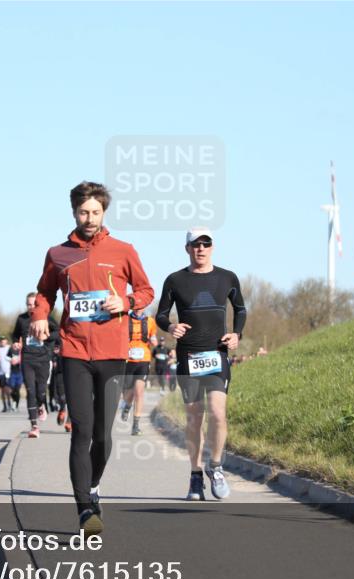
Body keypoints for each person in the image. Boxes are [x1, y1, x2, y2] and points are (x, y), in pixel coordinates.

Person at [31, 181, 153, 535]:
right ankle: (85, 508)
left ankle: (94, 484)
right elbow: (45, 292)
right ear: (74, 212)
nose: (89, 218)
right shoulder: (58, 254)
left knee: (103, 434)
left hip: (113, 352)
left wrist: (126, 302)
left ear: (104, 212)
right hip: (74, 351)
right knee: (81, 430)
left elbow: (146, 290)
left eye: (95, 212)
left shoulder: (123, 250)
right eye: (83, 212)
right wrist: (40, 315)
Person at [156, 227, 247, 502]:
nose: (201, 248)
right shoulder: (175, 280)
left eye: (206, 244)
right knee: (195, 418)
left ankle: (216, 466)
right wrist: (171, 327)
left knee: (218, 414)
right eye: (195, 244)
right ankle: (195, 475)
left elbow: (240, 309)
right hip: (188, 357)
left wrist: (236, 334)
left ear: (212, 247)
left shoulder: (227, 277)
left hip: (217, 354)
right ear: (187, 249)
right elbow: (160, 314)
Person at [12, 292, 59, 438]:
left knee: (40, 391)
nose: (31, 307)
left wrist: (48, 336)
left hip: (43, 359)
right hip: (27, 359)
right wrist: (15, 343)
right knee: (30, 391)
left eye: (34, 304)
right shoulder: (22, 319)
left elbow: (59, 333)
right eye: (29, 304)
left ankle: (41, 404)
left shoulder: (47, 319)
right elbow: (15, 335)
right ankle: (34, 426)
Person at [120, 310, 158, 436]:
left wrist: (154, 341)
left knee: (139, 391)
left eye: (141, 306)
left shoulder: (150, 321)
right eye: (136, 306)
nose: (138, 308)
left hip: (144, 359)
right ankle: (127, 405)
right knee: (128, 392)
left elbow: (154, 338)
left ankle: (135, 425)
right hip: (128, 359)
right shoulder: (125, 319)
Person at [0, 337, 12, 413]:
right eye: (1, 340)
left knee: (7, 389)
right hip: (0, 372)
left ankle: (9, 405)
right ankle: (4, 406)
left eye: (4, 340)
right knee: (2, 390)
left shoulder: (9, 348)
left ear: (6, 341)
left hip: (8, 372)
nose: (3, 341)